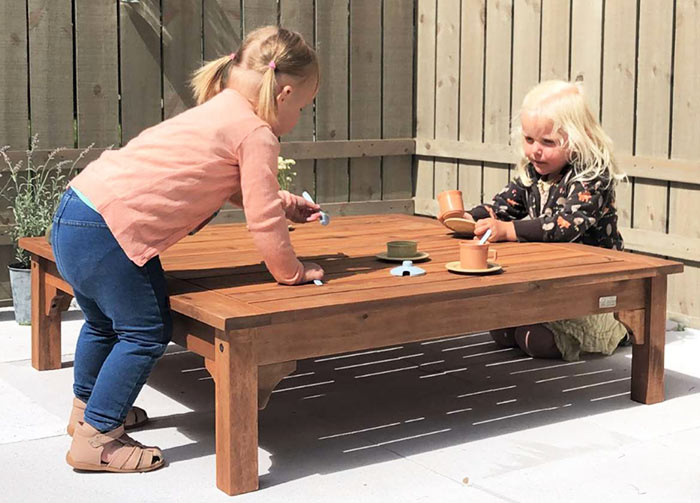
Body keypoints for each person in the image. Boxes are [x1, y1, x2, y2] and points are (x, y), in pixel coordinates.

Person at [52, 25, 323, 473]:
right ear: (285, 92)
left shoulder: (221, 109)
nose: (299, 116)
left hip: (78, 210)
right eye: (303, 107)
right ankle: (97, 439)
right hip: (112, 233)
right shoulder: (256, 133)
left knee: (103, 325)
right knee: (144, 332)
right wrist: (291, 271)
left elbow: (235, 187)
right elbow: (262, 219)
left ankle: (87, 412)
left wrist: (287, 202)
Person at [462, 79, 628, 362]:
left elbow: (567, 224)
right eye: (529, 140)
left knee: (534, 340)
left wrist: (508, 230)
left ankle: (614, 330)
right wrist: (468, 217)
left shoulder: (591, 177)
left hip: (593, 285)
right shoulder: (535, 171)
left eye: (547, 142)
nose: (535, 150)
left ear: (576, 140)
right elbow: (503, 206)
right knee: (500, 332)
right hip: (555, 279)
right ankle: (540, 321)